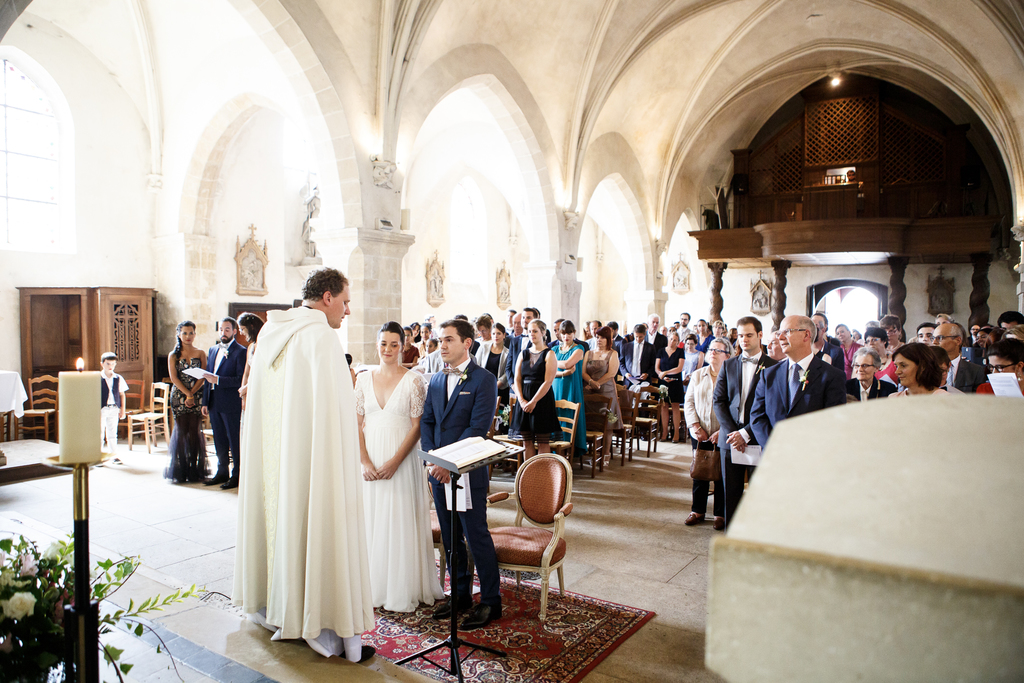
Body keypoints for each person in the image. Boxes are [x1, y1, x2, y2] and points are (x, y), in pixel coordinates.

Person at [233, 267, 375, 663]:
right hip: (315, 460)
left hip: (277, 458)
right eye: (345, 301)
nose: (347, 311)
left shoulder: (271, 332)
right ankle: (324, 626)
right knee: (321, 525)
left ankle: (272, 606)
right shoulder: (320, 338)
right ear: (327, 297)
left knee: (281, 521)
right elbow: (336, 415)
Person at [355, 322, 443, 613]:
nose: (388, 350)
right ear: (376, 344)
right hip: (370, 459)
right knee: (371, 518)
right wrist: (364, 460)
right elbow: (355, 424)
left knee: (399, 517)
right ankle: (371, 585)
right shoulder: (362, 379)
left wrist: (395, 461)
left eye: (394, 344)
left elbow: (418, 427)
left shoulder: (413, 381)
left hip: (401, 461)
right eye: (383, 344)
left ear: (403, 345)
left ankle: (402, 587)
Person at [422, 318, 502, 630]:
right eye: (440, 340)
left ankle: (491, 601)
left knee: (475, 535)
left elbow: (476, 430)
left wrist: (447, 462)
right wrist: (432, 460)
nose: (441, 345)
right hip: (438, 472)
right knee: (451, 537)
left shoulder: (484, 379)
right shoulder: (438, 379)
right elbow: (428, 420)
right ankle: (459, 594)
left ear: (466, 343)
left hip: (466, 470)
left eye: (448, 340)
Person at [713, 317, 778, 528]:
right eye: (740, 335)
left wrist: (746, 433)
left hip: (757, 436)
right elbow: (719, 400)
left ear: (760, 335)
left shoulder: (774, 367)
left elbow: (772, 407)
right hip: (730, 439)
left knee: (759, 492)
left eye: (749, 335)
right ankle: (730, 538)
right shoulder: (729, 365)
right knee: (730, 493)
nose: (743, 340)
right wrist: (734, 433)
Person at [749, 315, 847, 448]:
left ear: (806, 335)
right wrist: (773, 447)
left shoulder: (832, 376)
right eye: (779, 333)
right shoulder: (768, 374)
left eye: (787, 332)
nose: (780, 337)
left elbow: (833, 422)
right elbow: (757, 416)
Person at [683, 337, 730, 529]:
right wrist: (695, 426)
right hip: (701, 432)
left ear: (727, 355)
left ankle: (720, 514)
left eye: (718, 350)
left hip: (723, 433)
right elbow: (689, 402)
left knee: (721, 474)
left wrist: (724, 430)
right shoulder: (698, 374)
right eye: (711, 349)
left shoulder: (731, 375)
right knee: (700, 472)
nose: (713, 353)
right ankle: (697, 510)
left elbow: (735, 406)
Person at [202, 317, 247, 489]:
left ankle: (237, 474)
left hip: (230, 403)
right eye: (221, 329)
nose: (223, 332)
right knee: (219, 439)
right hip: (214, 402)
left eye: (227, 329)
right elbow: (208, 377)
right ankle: (221, 472)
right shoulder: (213, 350)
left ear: (235, 331)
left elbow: (239, 380)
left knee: (233, 439)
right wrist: (205, 401)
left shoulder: (240, 351)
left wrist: (219, 380)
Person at [165, 321, 207, 483]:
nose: (188, 336)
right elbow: (174, 378)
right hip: (179, 395)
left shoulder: (201, 353)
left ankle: (194, 470)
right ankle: (181, 469)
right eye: (185, 333)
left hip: (197, 394)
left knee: (195, 432)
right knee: (182, 432)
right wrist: (187, 394)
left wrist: (193, 394)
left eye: (191, 333)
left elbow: (203, 376)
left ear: (195, 335)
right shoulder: (173, 355)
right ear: (178, 334)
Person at [510, 319, 559, 460]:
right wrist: (521, 399)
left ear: (543, 332)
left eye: (535, 331)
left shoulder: (549, 354)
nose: (532, 334)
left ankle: (542, 477)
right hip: (523, 398)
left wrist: (533, 401)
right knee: (527, 441)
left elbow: (548, 381)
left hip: (542, 400)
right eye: (530, 331)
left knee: (543, 441)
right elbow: (517, 379)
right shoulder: (523, 354)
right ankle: (529, 475)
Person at [552, 320, 588, 461]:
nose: (566, 336)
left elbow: (568, 363)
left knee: (568, 416)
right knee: (556, 416)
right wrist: (562, 371)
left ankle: (568, 453)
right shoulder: (554, 350)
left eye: (569, 333)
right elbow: (547, 368)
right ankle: (556, 452)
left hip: (571, 388)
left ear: (574, 333)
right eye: (563, 333)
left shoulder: (578, 349)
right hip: (555, 387)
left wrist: (556, 364)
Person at [582, 325, 622, 432]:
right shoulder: (588, 353)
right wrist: (591, 382)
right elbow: (583, 372)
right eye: (597, 337)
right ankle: (592, 448)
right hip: (589, 390)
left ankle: (606, 449)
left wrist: (597, 383)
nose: (599, 340)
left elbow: (611, 373)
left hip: (606, 390)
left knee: (607, 424)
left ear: (608, 339)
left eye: (603, 338)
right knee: (589, 421)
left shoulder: (613, 353)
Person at [933, 322, 986, 393]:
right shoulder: (928, 367)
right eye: (933, 338)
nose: (934, 342)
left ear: (958, 340)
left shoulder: (975, 370)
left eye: (939, 338)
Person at [656, 330, 687, 441]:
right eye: (671, 339)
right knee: (664, 406)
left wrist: (666, 372)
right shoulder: (660, 351)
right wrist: (662, 375)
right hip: (663, 382)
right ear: (667, 339)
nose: (672, 341)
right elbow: (657, 367)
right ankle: (664, 432)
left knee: (675, 406)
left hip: (676, 381)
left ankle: (676, 433)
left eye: (675, 340)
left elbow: (679, 368)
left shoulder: (680, 351)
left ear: (678, 342)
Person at [99, 352, 128, 456]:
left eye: (113, 364)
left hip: (114, 408)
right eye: (108, 364)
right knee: (100, 433)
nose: (110, 366)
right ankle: (99, 455)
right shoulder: (97, 378)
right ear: (102, 364)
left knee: (112, 434)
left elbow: (122, 394)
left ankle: (113, 455)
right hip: (101, 409)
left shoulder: (118, 378)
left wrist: (122, 410)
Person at [475, 321, 510, 405]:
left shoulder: (508, 353)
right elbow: (476, 365)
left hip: (500, 389)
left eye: (499, 333)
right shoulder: (484, 347)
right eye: (493, 333)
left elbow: (507, 373)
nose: (496, 336)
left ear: (504, 335)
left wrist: (495, 386)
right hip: (482, 386)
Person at [237, 312, 264, 412]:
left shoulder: (263, 345)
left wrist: (248, 387)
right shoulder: (250, 347)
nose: (240, 332)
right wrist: (243, 395)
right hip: (248, 391)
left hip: (259, 388)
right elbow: (246, 373)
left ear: (251, 327)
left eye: (242, 329)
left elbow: (264, 371)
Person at [620, 323, 656, 388]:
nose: (638, 339)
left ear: (645, 334)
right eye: (636, 336)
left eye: (640, 337)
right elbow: (621, 363)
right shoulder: (626, 346)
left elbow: (653, 364)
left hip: (644, 381)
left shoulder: (651, 347)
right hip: (629, 380)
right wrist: (625, 373)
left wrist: (647, 374)